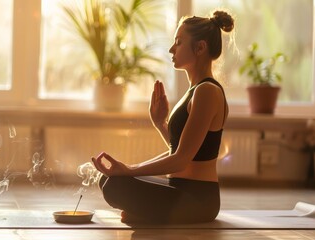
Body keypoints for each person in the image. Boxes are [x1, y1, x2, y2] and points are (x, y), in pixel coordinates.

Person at [91, 10, 234, 224]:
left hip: (198, 199)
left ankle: (149, 214)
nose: (171, 49)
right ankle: (148, 214)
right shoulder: (195, 90)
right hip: (178, 190)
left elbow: (181, 160)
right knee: (109, 180)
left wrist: (129, 169)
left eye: (178, 42)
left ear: (200, 48)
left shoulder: (207, 92)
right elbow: (183, 150)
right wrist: (160, 123)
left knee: (116, 185)